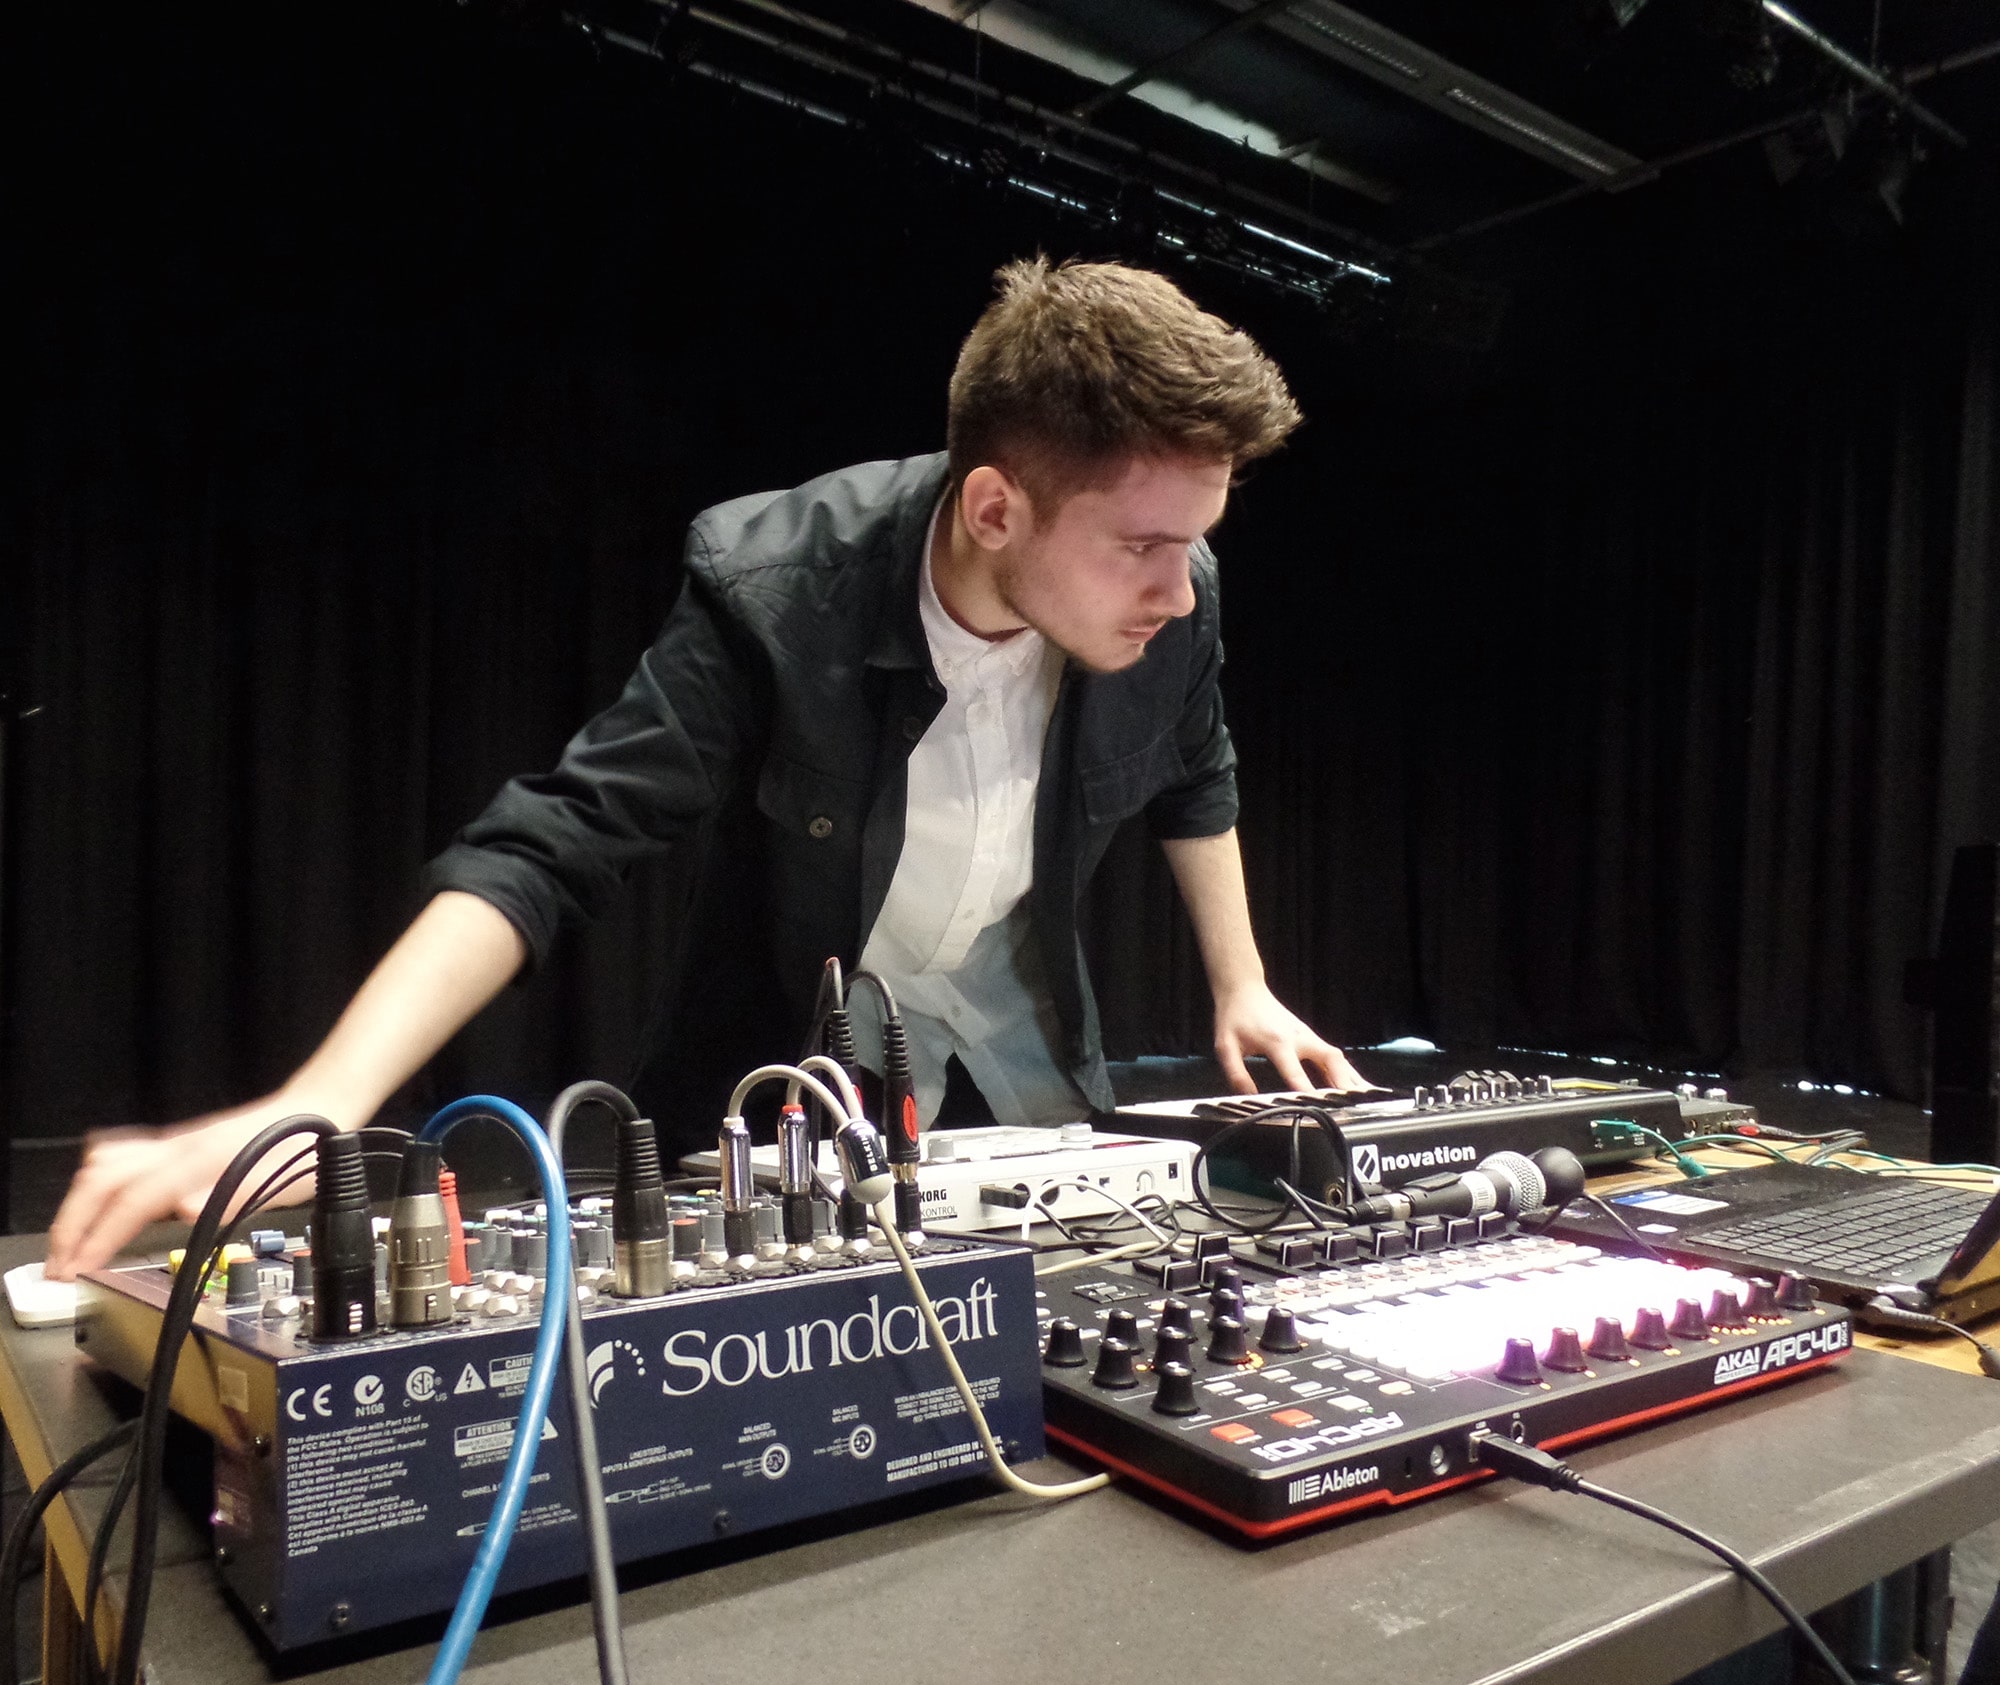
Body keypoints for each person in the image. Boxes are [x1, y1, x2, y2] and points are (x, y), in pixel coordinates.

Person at [46, 256, 1371, 1280]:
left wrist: (1243, 984)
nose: (1180, 590)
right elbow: (550, 846)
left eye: (1193, 543)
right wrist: (323, 1099)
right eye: (1141, 544)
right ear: (992, 508)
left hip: (1020, 1012)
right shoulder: (777, 589)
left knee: (1101, 1274)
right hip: (795, 1042)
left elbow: (1199, 763)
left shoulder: (1175, 590)